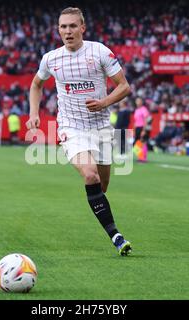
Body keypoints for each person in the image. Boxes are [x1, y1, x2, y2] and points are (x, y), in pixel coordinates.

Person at [26, 7, 132, 256]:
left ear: (82, 28)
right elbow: (36, 84)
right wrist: (34, 113)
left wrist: (104, 102)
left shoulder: (100, 52)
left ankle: (101, 209)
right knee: (90, 175)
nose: (68, 31)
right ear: (58, 30)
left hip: (102, 127)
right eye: (63, 27)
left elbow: (124, 86)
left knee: (102, 186)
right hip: (71, 127)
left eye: (73, 26)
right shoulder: (51, 58)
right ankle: (116, 236)